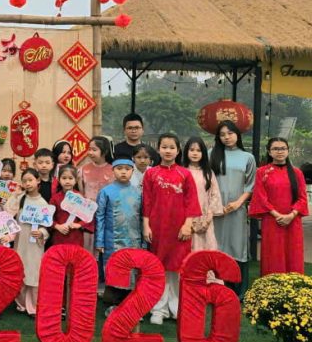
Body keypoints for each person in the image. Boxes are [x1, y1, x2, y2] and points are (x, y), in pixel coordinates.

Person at [143, 134, 201, 325]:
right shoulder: (151, 174)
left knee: (177, 267)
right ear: (158, 149)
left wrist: (187, 225)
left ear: (178, 150)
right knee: (158, 267)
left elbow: (191, 201)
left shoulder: (185, 174)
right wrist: (146, 225)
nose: (168, 151)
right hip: (157, 227)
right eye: (164, 147)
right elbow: (147, 202)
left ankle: (177, 308)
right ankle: (158, 309)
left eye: (172, 147)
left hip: (179, 228)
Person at [210, 120, 257, 299]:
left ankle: (239, 290)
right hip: (215, 210)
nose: (226, 137)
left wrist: (238, 202)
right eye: (222, 134)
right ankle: (215, 286)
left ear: (237, 134)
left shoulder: (247, 157)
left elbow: (250, 185)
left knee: (237, 246)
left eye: (230, 133)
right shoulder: (211, 154)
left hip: (237, 210)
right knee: (216, 245)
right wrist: (214, 205)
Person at [249, 138, 308, 276]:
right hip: (272, 220)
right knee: (273, 253)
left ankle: (294, 284)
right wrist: (277, 215)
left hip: (293, 220)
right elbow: (260, 197)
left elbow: (303, 198)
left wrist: (291, 215)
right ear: (269, 152)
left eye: (283, 148)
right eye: (275, 149)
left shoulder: (297, 173)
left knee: (293, 252)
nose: (279, 151)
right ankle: (271, 284)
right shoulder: (262, 172)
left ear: (288, 151)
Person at [95, 156, 142, 313]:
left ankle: (130, 304)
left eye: (127, 169)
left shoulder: (138, 193)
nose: (123, 172)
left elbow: (141, 217)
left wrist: (143, 242)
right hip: (112, 240)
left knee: (132, 271)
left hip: (133, 240)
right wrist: (99, 241)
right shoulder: (105, 192)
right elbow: (100, 217)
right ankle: (112, 304)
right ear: (113, 170)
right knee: (113, 269)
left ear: (132, 171)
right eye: (119, 169)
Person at [6, 168, 48, 317]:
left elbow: (47, 226)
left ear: (38, 181)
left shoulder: (43, 203)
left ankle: (34, 306)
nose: (28, 183)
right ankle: (21, 303)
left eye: (30, 180)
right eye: (24, 181)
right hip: (20, 241)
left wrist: (41, 233)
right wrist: (15, 195)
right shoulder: (20, 198)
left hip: (35, 245)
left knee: (34, 273)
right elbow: (8, 212)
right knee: (20, 271)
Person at [182, 137, 224, 254]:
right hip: (185, 219)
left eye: (198, 150)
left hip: (205, 217)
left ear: (203, 153)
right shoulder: (181, 172)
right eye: (192, 150)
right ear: (186, 151)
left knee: (206, 251)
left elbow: (214, 195)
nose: (195, 153)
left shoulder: (208, 173)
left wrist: (208, 217)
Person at [50, 164, 95, 248]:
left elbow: (88, 218)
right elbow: (48, 217)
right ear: (59, 180)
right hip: (59, 235)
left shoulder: (80, 197)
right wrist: (57, 226)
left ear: (76, 180)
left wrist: (79, 224)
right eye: (64, 178)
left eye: (70, 178)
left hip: (76, 236)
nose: (67, 181)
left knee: (75, 255)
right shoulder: (55, 198)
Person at [79, 137, 114, 202]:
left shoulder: (113, 170)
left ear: (105, 152)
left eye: (94, 150)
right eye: (89, 149)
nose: (90, 152)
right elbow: (81, 193)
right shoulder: (83, 169)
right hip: (87, 206)